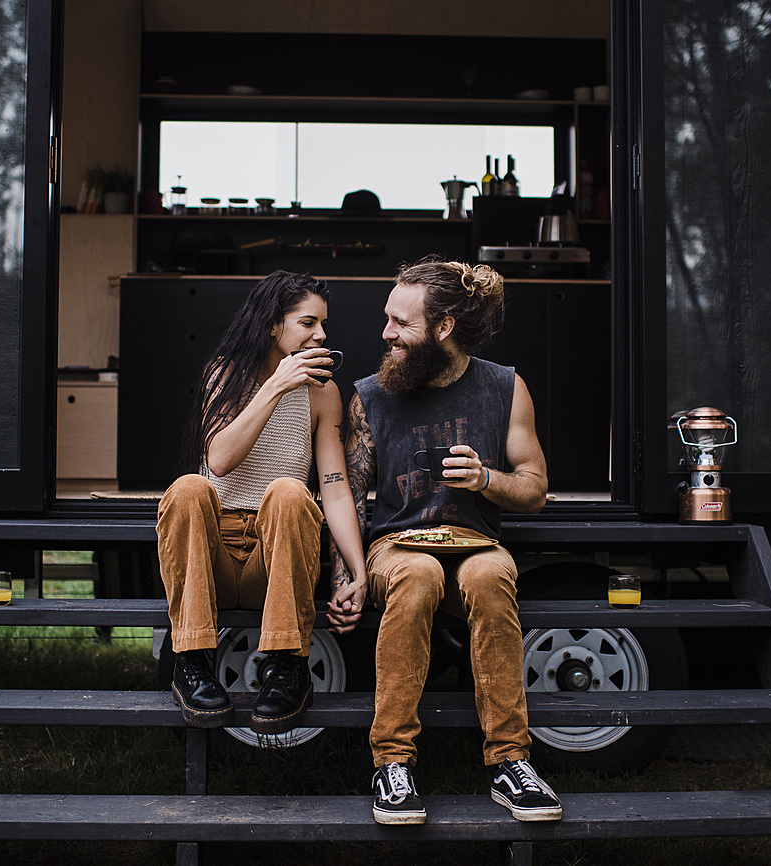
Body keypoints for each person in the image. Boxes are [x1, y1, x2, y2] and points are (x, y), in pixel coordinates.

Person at [330, 255, 563, 825]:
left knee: (491, 576)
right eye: (387, 319)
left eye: (400, 324)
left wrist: (485, 479)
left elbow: (535, 487)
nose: (385, 334)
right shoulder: (370, 395)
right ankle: (393, 762)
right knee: (419, 575)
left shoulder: (505, 388)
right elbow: (350, 498)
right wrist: (345, 576)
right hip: (398, 546)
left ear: (443, 329)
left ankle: (511, 762)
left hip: (475, 541)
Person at [158, 270, 368, 737]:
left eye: (323, 325)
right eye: (308, 323)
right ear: (274, 325)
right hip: (210, 556)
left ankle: (286, 667)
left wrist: (357, 570)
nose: (322, 335)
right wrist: (276, 384)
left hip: (273, 557)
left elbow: (334, 485)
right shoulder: (226, 375)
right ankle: (191, 663)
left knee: (291, 491)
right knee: (189, 487)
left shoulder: (323, 392)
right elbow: (220, 457)